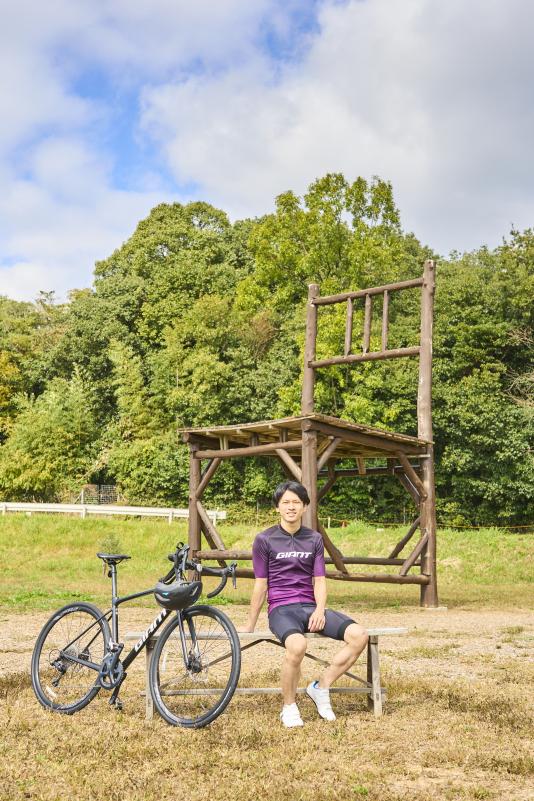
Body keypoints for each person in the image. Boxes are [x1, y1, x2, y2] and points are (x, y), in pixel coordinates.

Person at [241, 480, 369, 728]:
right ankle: (289, 706)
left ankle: (321, 687)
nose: (291, 507)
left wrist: (320, 610)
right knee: (298, 645)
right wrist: (250, 624)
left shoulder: (314, 539)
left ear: (305, 507)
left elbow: (319, 580)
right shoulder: (264, 540)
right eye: (285, 502)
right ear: (277, 507)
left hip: (310, 607)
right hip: (281, 609)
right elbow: (260, 584)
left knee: (359, 635)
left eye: (296, 502)